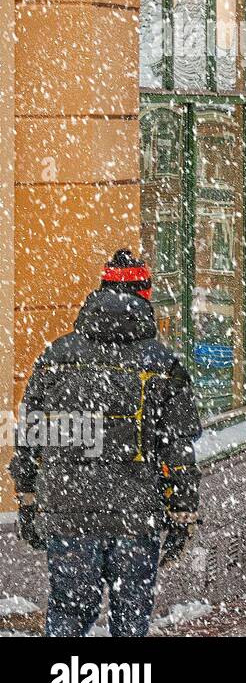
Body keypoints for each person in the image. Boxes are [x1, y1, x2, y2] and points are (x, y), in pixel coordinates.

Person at [9, 250, 202, 637]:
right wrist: (182, 512)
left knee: (68, 609)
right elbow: (178, 446)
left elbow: (30, 436)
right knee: (131, 614)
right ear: (145, 297)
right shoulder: (163, 364)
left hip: (68, 507)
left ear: (99, 293)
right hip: (136, 512)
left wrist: (28, 501)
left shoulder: (57, 357)